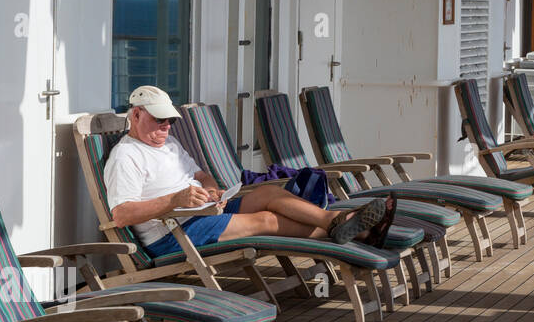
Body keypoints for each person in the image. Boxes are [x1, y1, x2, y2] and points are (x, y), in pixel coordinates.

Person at [105, 85, 396, 258]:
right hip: (173, 231)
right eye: (160, 120)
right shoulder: (126, 155)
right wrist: (175, 201)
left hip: (204, 210)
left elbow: (201, 174)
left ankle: (336, 221)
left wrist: (212, 189)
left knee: (268, 192)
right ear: (137, 114)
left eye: (170, 121)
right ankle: (357, 232)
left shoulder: (170, 143)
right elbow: (121, 215)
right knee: (267, 220)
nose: (166, 126)